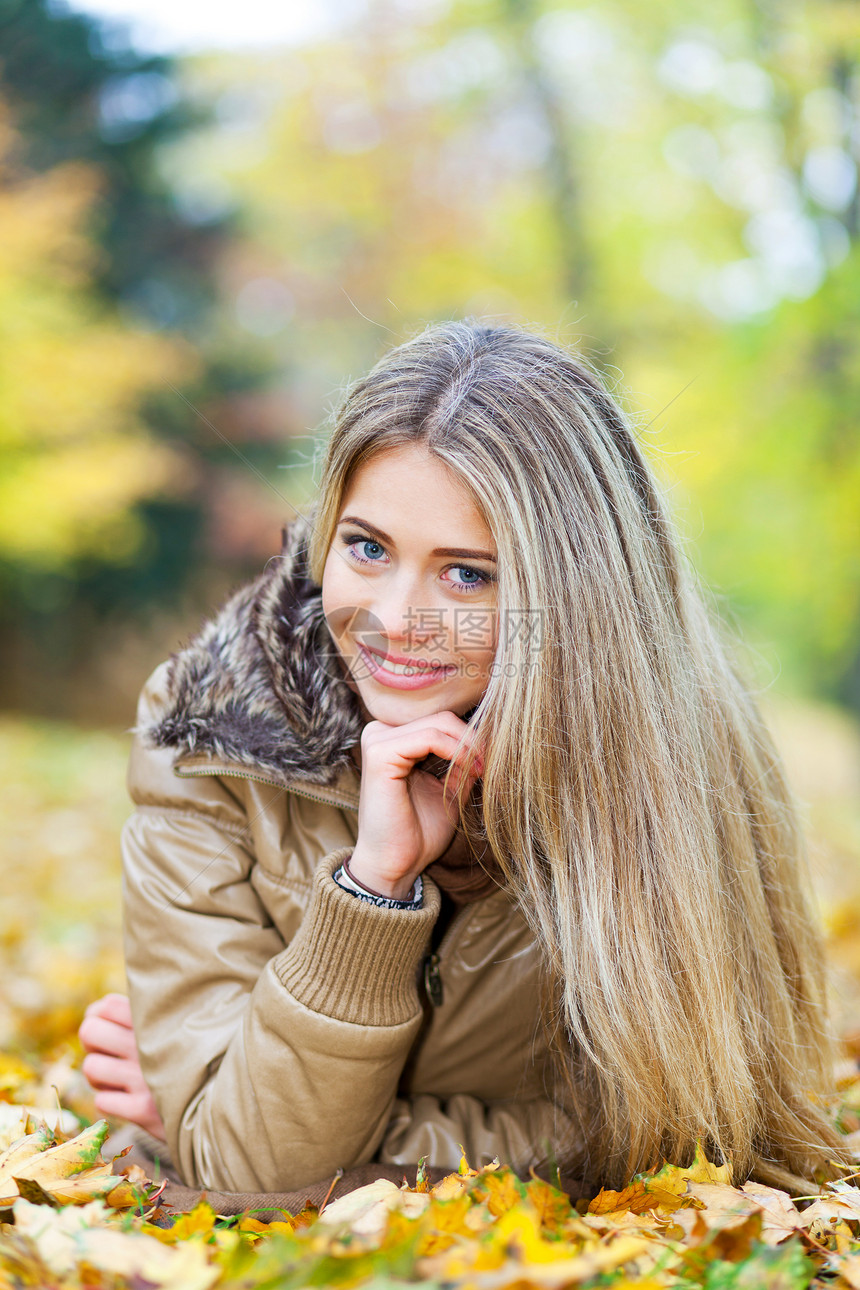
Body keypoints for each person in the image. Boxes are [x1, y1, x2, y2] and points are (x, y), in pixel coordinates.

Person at [79, 320, 844, 1196]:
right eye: (367, 548)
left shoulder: (677, 762)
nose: (396, 620)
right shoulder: (208, 739)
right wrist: (373, 889)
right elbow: (252, 1163)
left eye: (468, 575)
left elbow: (680, 1137)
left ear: (574, 591)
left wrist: (240, 1109)